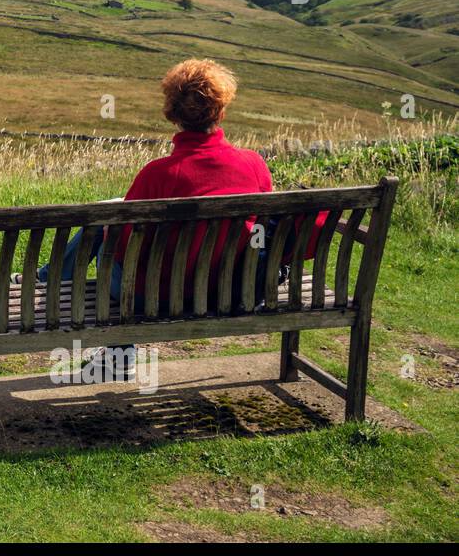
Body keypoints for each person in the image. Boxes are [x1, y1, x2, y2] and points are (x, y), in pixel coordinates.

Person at [36, 58, 279, 380]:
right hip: (227, 288)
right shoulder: (253, 164)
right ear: (220, 110)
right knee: (111, 216)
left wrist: (108, 230)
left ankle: (54, 283)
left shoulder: (158, 174)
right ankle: (56, 283)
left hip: (156, 296)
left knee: (105, 225)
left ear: (173, 113)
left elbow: (123, 251)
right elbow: (263, 227)